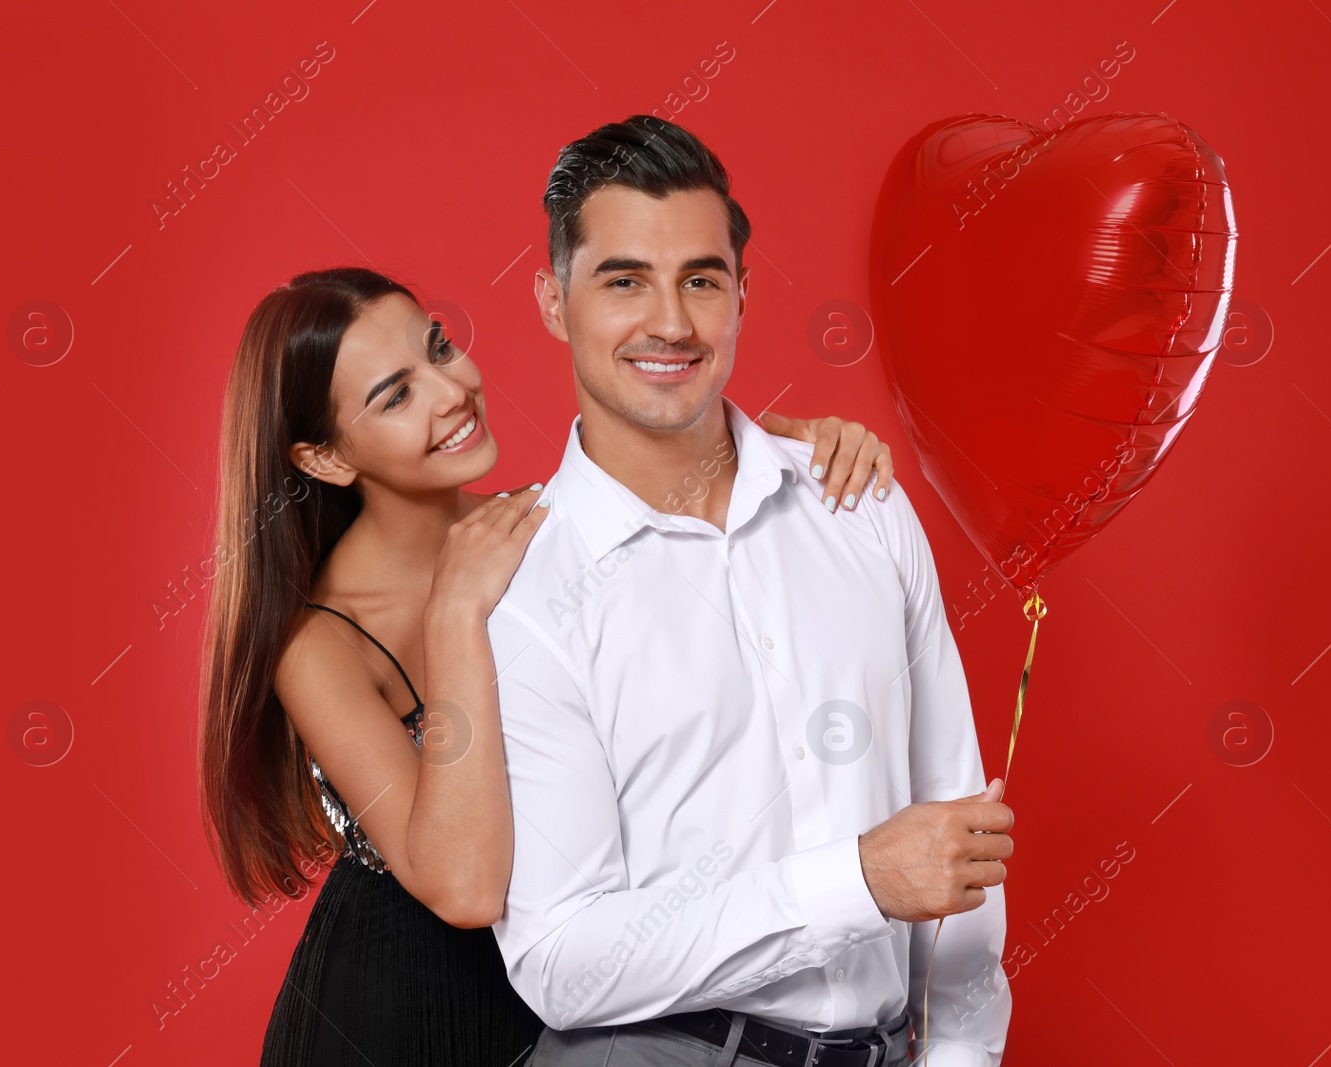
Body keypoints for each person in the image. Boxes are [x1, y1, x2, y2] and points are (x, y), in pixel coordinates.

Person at [195, 264, 901, 1066]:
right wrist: (456, 614)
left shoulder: (541, 528)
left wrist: (793, 455)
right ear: (324, 459)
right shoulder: (321, 641)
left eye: (438, 347)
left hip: (567, 1008)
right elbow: (463, 887)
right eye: (395, 395)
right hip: (389, 1022)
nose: (449, 390)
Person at [485, 116, 1015, 1066]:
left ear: (742, 293)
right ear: (553, 301)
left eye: (701, 278)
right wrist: (857, 880)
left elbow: (956, 821)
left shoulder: (863, 507)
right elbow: (561, 957)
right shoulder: (525, 589)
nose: (672, 323)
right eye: (623, 281)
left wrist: (962, 1054)